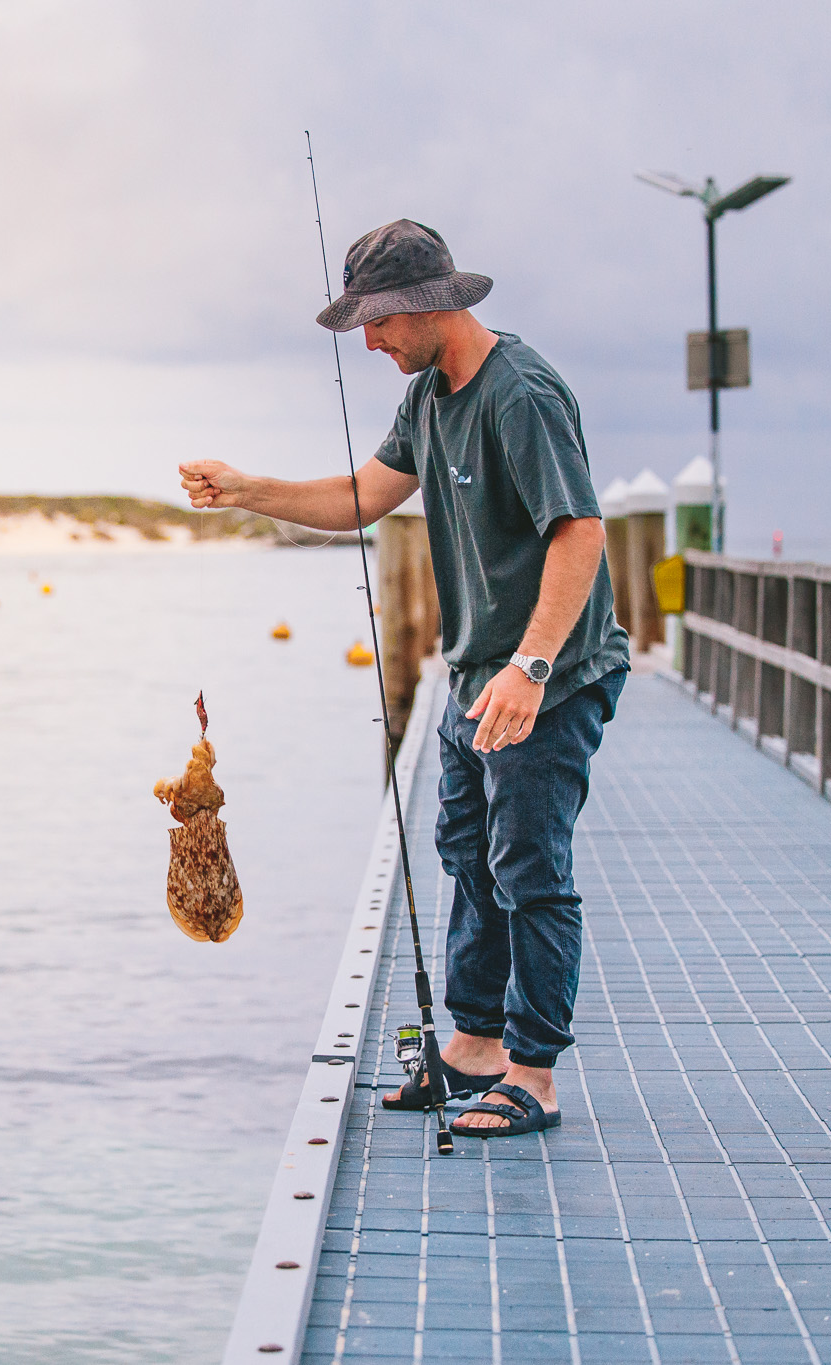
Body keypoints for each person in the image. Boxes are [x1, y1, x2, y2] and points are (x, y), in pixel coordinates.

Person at [179, 220, 628, 1138]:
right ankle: (472, 1045)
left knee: (531, 870)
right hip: (474, 677)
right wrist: (246, 488)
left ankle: (533, 1074)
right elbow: (358, 499)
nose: (370, 343)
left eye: (376, 324)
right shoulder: (429, 398)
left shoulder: (522, 395)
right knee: (468, 855)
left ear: (425, 304)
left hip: (550, 679)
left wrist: (532, 668)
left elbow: (579, 532)